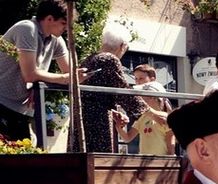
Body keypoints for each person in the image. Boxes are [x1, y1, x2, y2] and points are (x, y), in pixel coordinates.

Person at [0, 0, 75, 141]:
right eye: (64, 23)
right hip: (2, 102)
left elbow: (71, 74)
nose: (66, 29)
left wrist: (78, 74)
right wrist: (64, 78)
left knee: (22, 157)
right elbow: (30, 74)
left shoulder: (56, 40)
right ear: (49, 19)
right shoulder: (27, 29)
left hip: (20, 108)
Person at [80, 22, 146, 153]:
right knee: (99, 160)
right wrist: (147, 112)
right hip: (98, 120)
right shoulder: (110, 59)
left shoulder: (89, 59)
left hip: (83, 116)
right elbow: (123, 91)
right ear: (122, 46)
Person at [112, 83, 173, 155]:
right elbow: (127, 138)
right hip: (143, 162)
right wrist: (118, 126)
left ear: (152, 97)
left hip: (160, 162)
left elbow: (171, 146)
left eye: (142, 95)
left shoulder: (166, 117)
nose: (138, 98)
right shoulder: (142, 117)